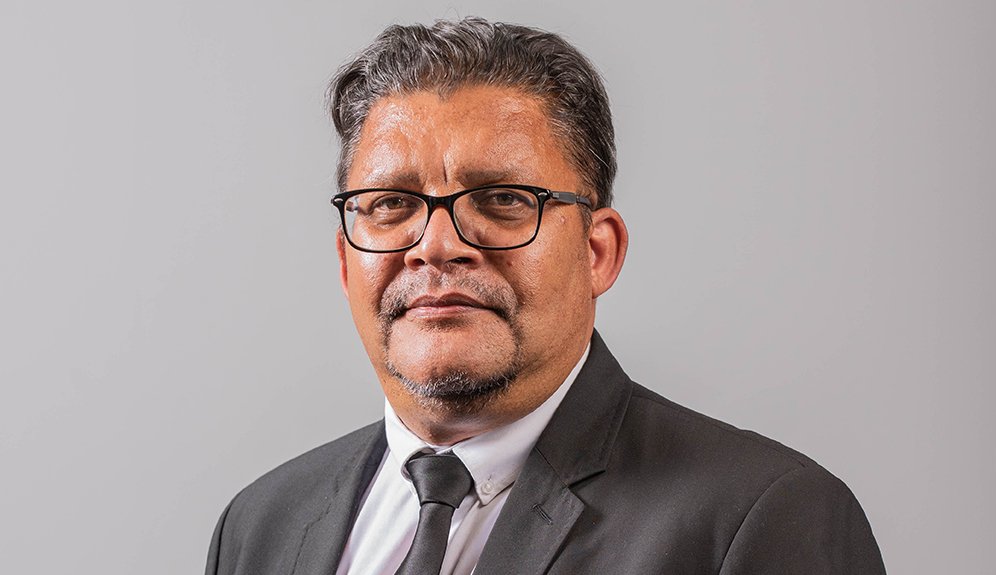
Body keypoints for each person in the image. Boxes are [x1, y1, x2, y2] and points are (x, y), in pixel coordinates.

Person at [205, 17, 885, 575]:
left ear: (598, 252)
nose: (436, 244)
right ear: (347, 263)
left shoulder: (757, 520)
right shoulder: (260, 526)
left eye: (502, 200)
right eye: (390, 204)